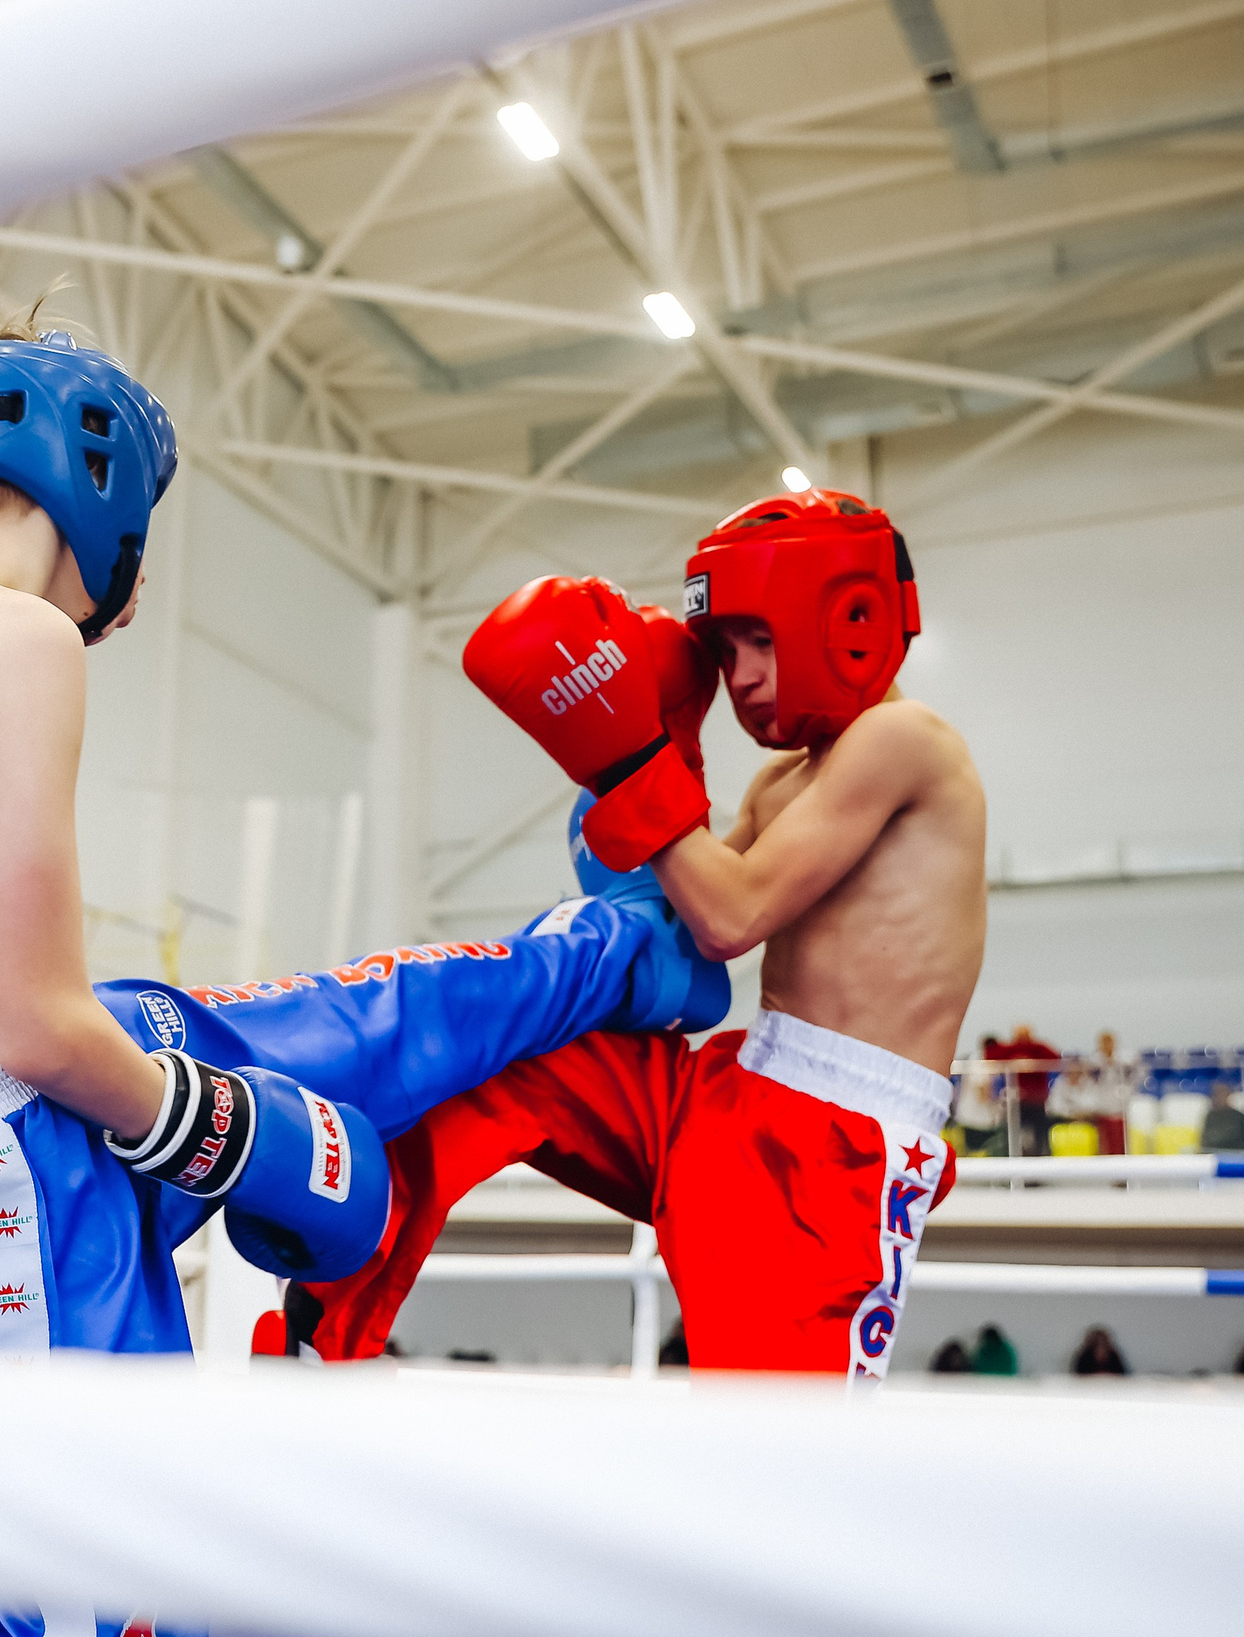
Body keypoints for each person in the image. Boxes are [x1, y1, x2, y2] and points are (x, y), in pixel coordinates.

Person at [0, 320, 721, 1635]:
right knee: (100, 1589)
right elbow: (39, 1024)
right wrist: (233, 1135)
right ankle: (624, 949)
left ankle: (619, 952)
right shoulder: (22, 645)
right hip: (15, 1145)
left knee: (355, 1029)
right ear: (103, 490)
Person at [292, 490, 988, 1383]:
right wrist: (662, 750)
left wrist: (633, 759)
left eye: (761, 641)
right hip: (732, 1089)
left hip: (835, 1149)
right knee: (494, 1052)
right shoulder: (782, 783)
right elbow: (679, 929)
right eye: (726, 650)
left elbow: (731, 914)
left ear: (850, 618)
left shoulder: (908, 739)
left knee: (778, 1450)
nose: (739, 676)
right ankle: (326, 1333)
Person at [989, 1023, 1059, 1156]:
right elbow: (991, 1056)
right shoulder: (1010, 1049)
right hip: (1016, 1101)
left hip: (1036, 1101)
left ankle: (1043, 1158)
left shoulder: (1038, 1048)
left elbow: (1055, 1059)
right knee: (1009, 1131)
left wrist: (1031, 1062)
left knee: (1041, 1134)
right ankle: (1008, 1156)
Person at [1199, 1080, 1244, 1154]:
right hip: (1212, 1155)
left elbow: (1237, 1141)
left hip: (1234, 1156)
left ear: (1228, 1095)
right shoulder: (1210, 1116)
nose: (1216, 1098)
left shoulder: (1239, 1117)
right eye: (1215, 1094)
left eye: (1221, 1094)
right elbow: (1206, 1141)